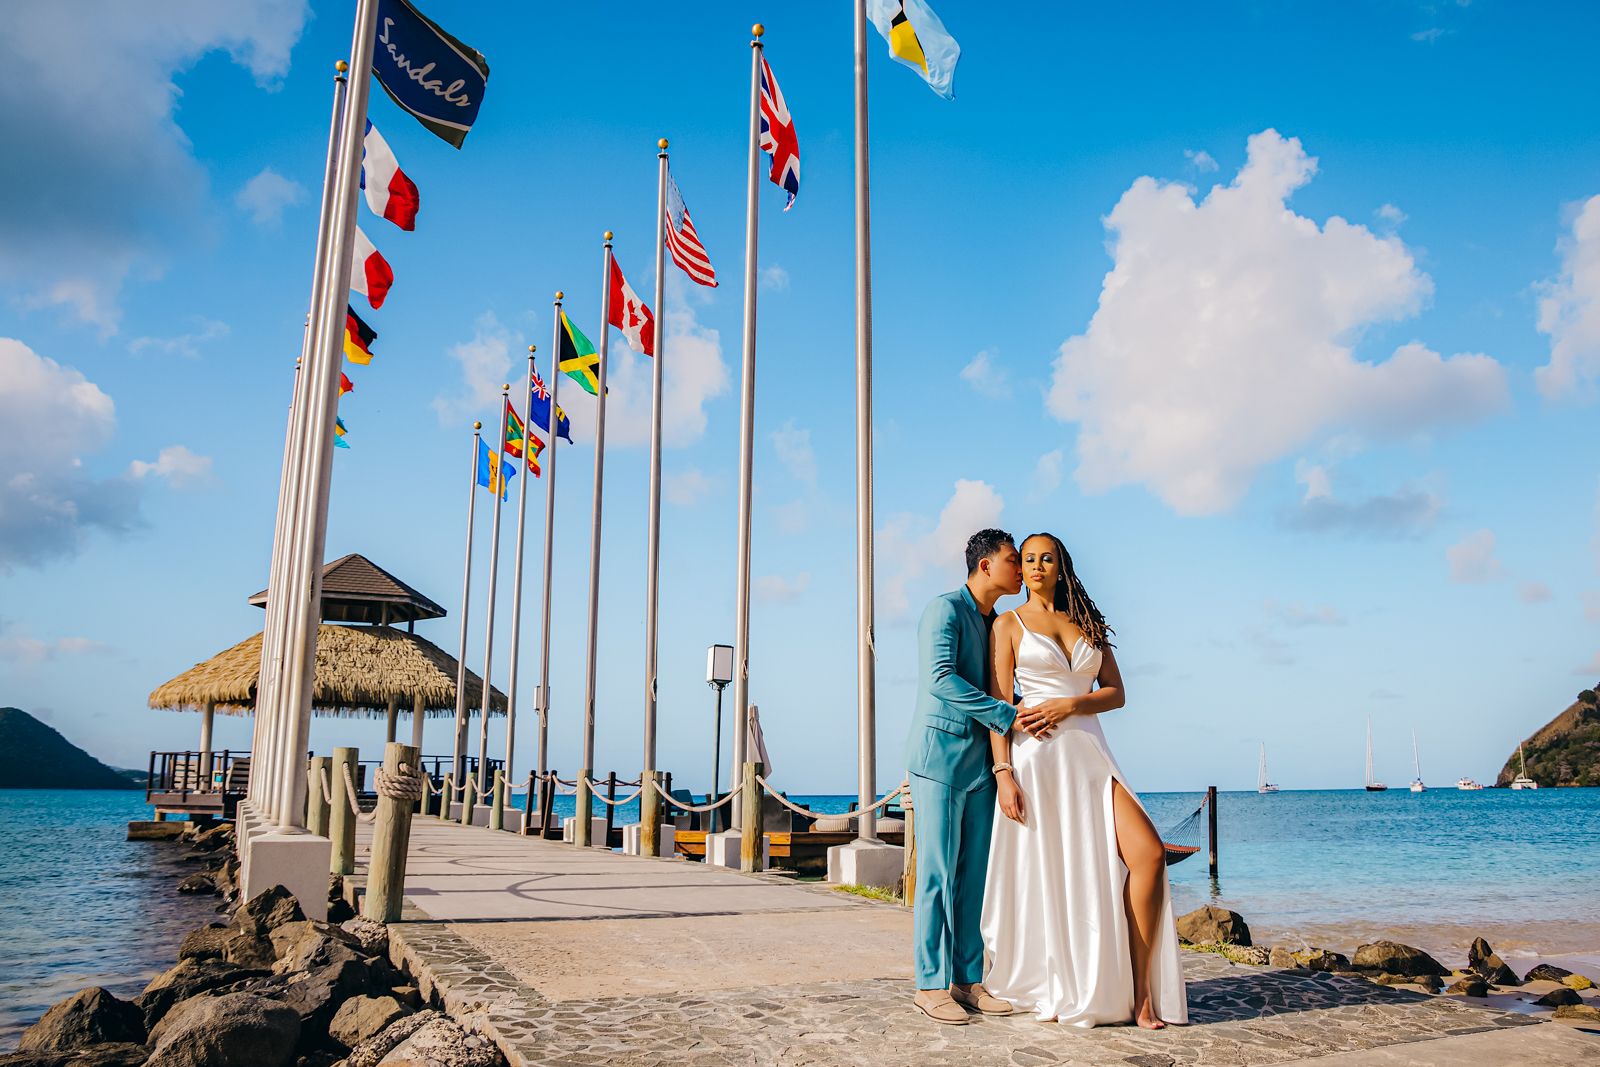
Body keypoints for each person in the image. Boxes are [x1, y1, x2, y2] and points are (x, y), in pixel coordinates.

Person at [981, 532, 1188, 1028]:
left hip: (1091, 755)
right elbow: (998, 708)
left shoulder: (1088, 623)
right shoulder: (1007, 625)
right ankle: (1072, 982)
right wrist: (1003, 772)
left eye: (1045, 558)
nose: (1035, 566)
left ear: (1061, 565)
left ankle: (1142, 996)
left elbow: (1116, 693)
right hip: (1037, 762)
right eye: (1027, 559)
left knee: (1149, 855)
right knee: (1058, 873)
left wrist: (1072, 703)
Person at [904, 528, 1039, 1025]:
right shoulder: (944, 610)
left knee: (972, 879)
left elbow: (1002, 683)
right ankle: (929, 984)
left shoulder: (997, 622)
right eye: (1013, 560)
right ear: (986, 565)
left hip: (983, 766)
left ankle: (966, 979)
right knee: (936, 877)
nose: (1021, 570)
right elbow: (940, 678)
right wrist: (1006, 715)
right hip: (938, 759)